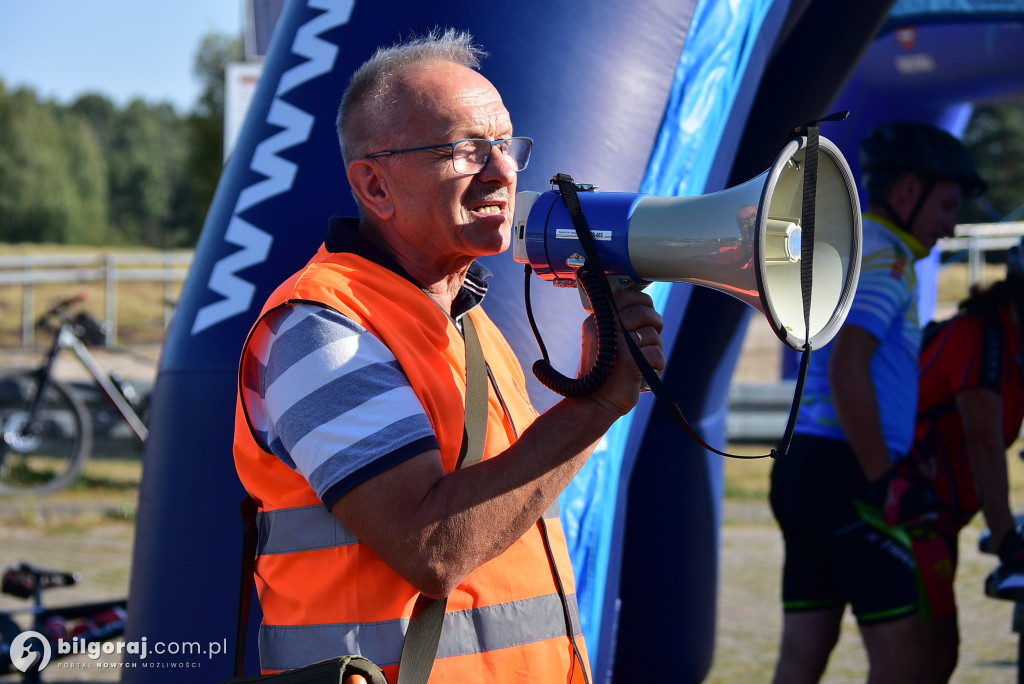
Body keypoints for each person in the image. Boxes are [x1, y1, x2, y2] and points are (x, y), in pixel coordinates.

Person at [231, 29, 665, 683]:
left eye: (506, 145)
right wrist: (597, 406)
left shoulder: (468, 323)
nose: (503, 171)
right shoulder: (321, 329)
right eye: (465, 151)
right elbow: (429, 548)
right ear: (374, 186)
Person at [768, 120, 986, 684]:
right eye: (946, 205)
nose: (951, 224)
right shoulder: (888, 258)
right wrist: (886, 477)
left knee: (802, 655)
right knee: (907, 660)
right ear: (909, 191)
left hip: (808, 464)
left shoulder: (858, 244)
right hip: (848, 472)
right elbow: (848, 369)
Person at [906, 242, 1024, 682]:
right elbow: (984, 442)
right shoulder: (984, 337)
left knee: (930, 655)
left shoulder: (1011, 341)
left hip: (940, 515)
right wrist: (1007, 538)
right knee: (930, 653)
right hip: (912, 510)